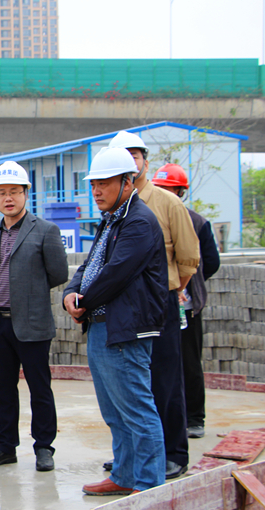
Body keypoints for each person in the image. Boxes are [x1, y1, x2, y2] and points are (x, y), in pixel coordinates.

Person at [63, 147, 168, 496]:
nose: (97, 191)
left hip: (126, 330)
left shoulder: (138, 221)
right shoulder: (111, 220)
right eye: (93, 184)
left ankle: (149, 486)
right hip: (103, 326)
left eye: (104, 183)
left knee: (137, 410)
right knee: (115, 412)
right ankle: (124, 475)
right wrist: (71, 292)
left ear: (128, 181)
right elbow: (90, 265)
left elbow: (115, 274)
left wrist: (82, 302)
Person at [108, 131, 200, 480]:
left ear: (144, 161)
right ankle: (134, 456)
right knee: (129, 386)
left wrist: (168, 290)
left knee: (165, 380)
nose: (130, 162)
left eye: (135, 155)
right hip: (123, 308)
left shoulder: (167, 203)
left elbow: (189, 259)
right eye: (122, 156)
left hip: (159, 306)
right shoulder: (112, 207)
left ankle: (173, 453)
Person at [0, 161, 69, 472]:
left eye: (14, 191)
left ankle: (44, 447)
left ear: (26, 194)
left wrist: (29, 294)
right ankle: (5, 446)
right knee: (3, 390)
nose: (8, 198)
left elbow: (58, 273)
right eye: (1, 192)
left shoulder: (45, 230)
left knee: (40, 389)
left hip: (32, 323)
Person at [151, 163, 221, 440]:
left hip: (186, 306)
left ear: (181, 192)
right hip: (157, 304)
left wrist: (186, 283)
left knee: (189, 363)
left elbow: (210, 262)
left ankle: (194, 418)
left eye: (170, 189)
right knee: (160, 365)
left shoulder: (197, 222)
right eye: (160, 189)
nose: (165, 194)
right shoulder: (148, 218)